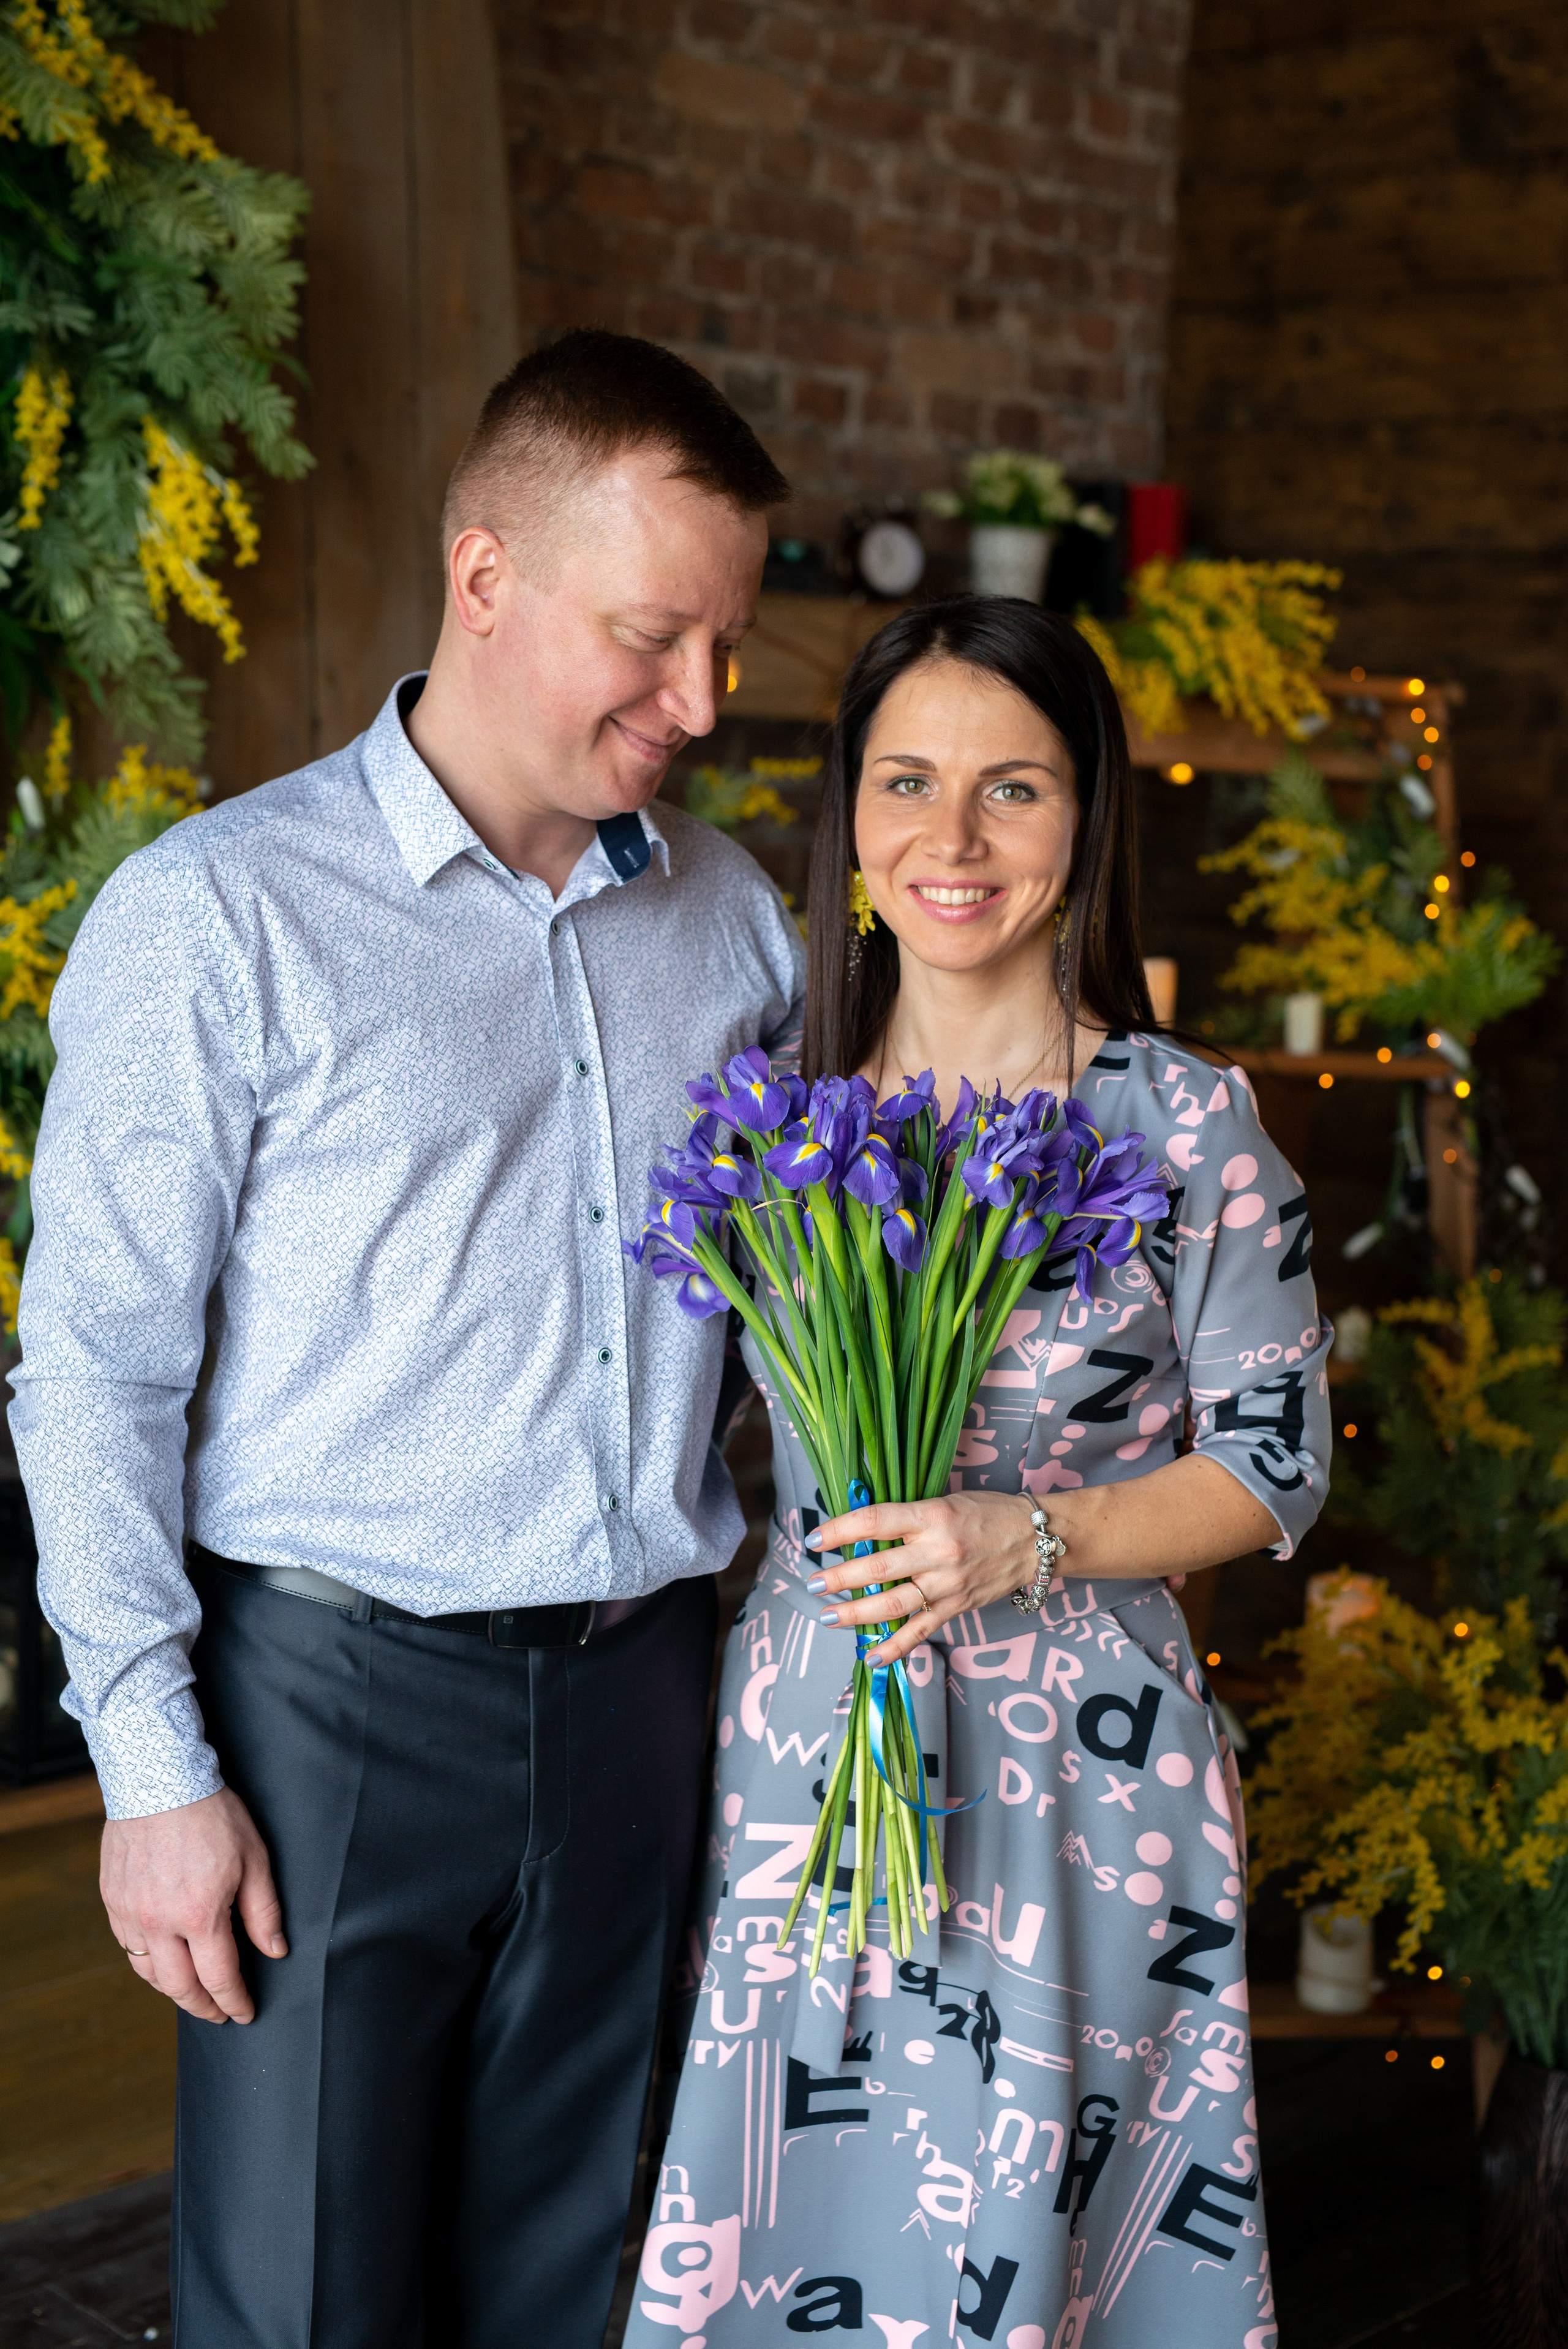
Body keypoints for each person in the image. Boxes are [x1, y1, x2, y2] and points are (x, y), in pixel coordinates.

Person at [11, 330, 804, 2347]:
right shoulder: (217, 917)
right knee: (304, 2304)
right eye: (652, 635)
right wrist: (150, 1767)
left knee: (577, 2292)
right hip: (328, 1719)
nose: (699, 703)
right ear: (483, 577)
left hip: (646, 1705)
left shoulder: (738, 929)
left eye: (727, 641)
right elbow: (94, 1368)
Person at [624, 598, 1327, 2349]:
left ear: (1086, 817)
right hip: (814, 1744)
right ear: (850, 821)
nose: (953, 840)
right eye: (908, 782)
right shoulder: (770, 1125)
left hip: (1094, 1780)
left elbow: (1277, 1462)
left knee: (1059, 2236)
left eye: (1012, 788)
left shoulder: (1183, 1123)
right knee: (809, 2219)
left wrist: (1031, 1534)